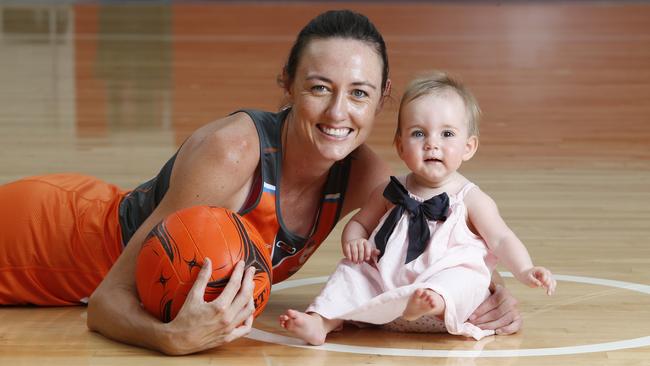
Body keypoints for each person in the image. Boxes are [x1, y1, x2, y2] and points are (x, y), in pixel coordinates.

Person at [0, 10, 521, 355]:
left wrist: (476, 293)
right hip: (50, 241)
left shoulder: (367, 177)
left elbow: (422, 253)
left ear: (382, 97)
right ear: (287, 83)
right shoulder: (232, 151)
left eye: (359, 93)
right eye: (319, 88)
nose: (338, 112)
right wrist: (170, 339)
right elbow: (109, 300)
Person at [279, 71, 556, 345]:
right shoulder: (391, 191)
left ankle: (432, 301)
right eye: (418, 133)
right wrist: (355, 241)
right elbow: (359, 223)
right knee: (351, 272)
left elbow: (501, 238)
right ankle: (321, 321)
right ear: (400, 146)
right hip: (387, 289)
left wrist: (525, 269)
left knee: (468, 276)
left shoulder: (470, 198)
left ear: (468, 147)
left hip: (443, 299)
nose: (432, 143)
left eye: (447, 134)